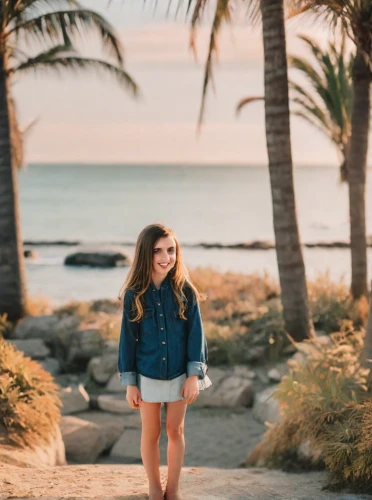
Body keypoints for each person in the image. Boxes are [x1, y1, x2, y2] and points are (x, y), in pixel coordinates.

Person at [117, 223, 212, 500]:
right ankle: (155, 487)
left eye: (170, 250)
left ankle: (173, 489)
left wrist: (194, 375)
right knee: (151, 433)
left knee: (175, 430)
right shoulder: (134, 295)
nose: (165, 257)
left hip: (181, 374)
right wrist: (130, 383)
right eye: (158, 250)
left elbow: (197, 335)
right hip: (146, 374)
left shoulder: (186, 292)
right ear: (145, 253)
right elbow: (127, 341)